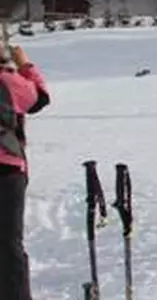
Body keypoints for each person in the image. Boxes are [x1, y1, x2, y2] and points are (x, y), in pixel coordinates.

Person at [0, 45, 50, 300]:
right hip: (7, 168)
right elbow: (39, 97)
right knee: (8, 245)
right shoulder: (8, 81)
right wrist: (25, 65)